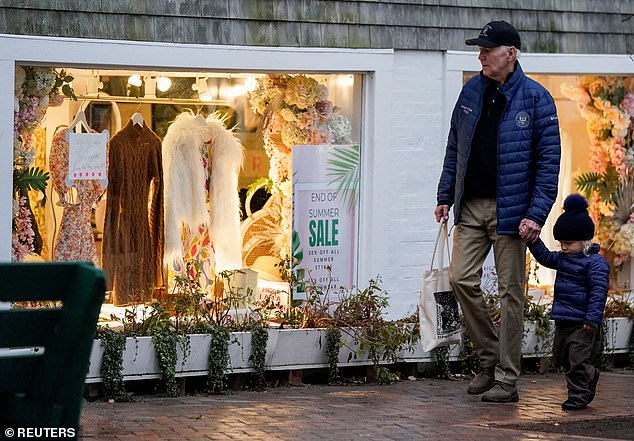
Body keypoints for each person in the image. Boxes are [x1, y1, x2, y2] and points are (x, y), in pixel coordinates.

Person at [434, 20, 561, 403]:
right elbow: (455, 145)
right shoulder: (471, 91)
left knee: (511, 294)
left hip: (512, 211)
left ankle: (507, 378)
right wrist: (444, 194)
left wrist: (536, 214)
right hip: (471, 206)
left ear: (511, 53)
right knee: (460, 279)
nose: (480, 56)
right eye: (480, 50)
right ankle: (488, 356)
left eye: (487, 50)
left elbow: (548, 163)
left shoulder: (537, 99)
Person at [527, 194, 609, 410]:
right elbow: (545, 257)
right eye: (561, 243)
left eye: (568, 243)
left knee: (576, 358)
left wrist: (592, 319)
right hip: (564, 317)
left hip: (583, 322)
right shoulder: (563, 258)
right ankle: (589, 376)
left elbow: (599, 291)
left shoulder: (595, 263)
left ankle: (579, 394)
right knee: (561, 356)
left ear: (584, 241)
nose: (563, 247)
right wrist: (533, 241)